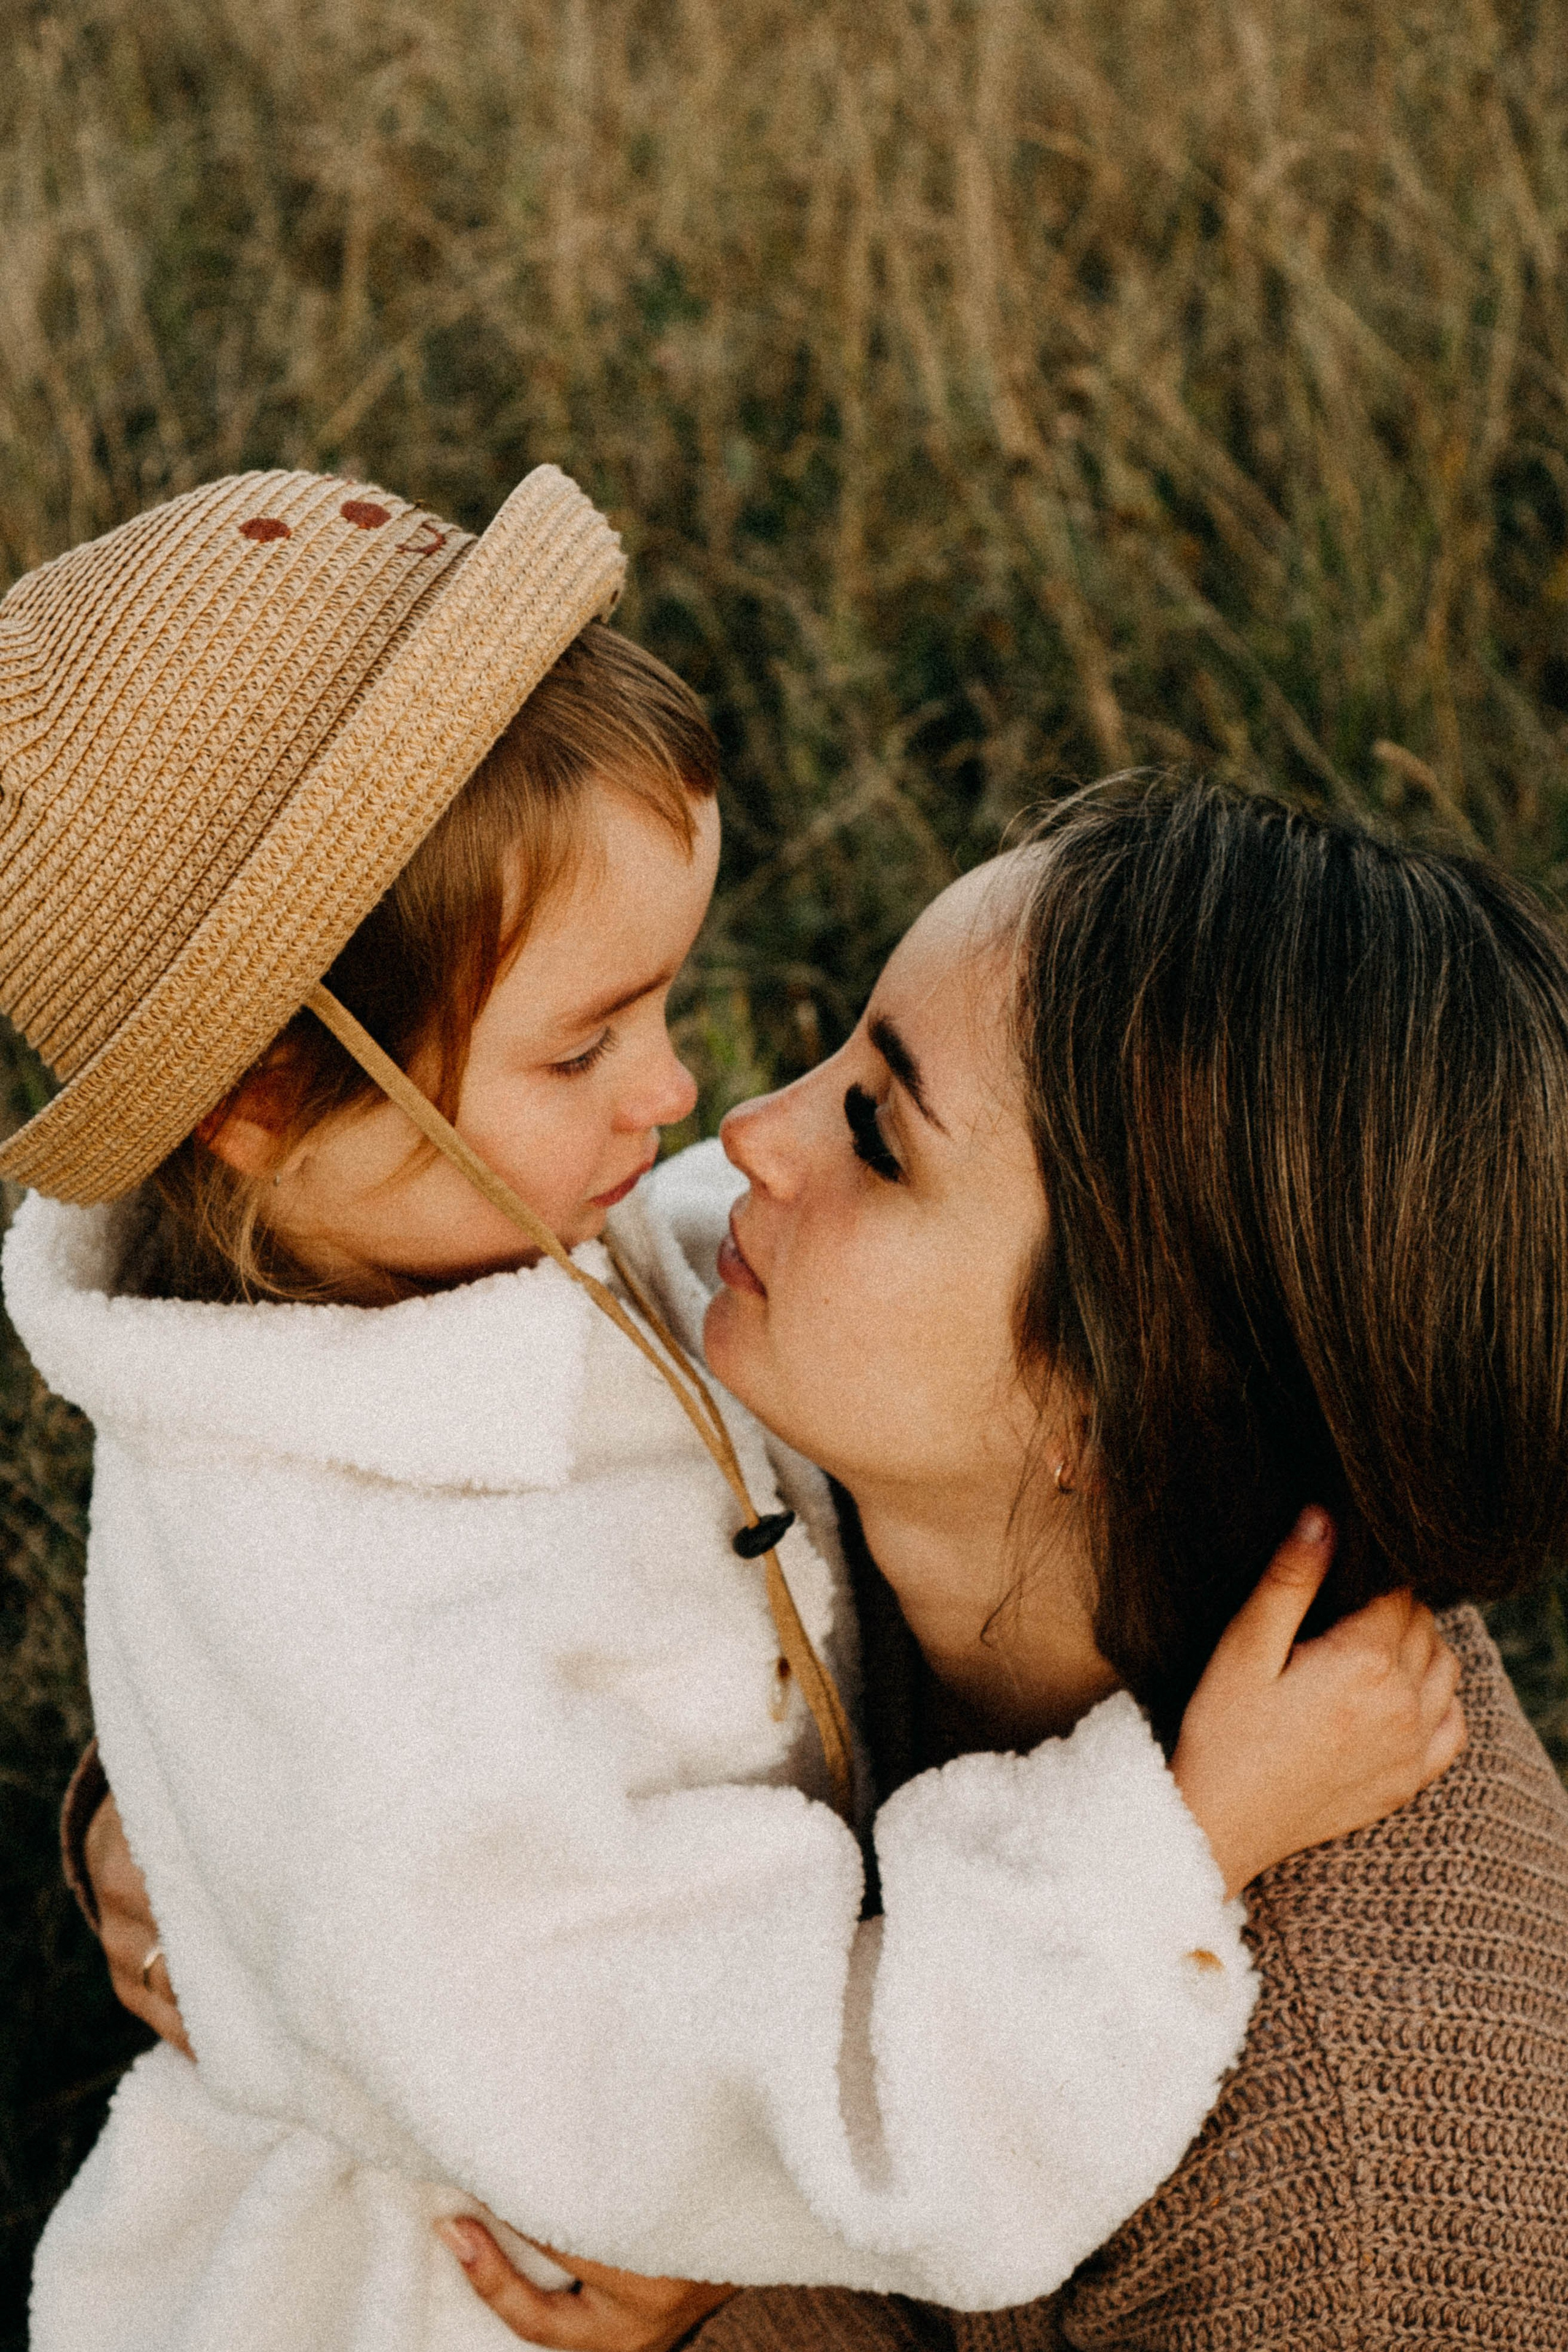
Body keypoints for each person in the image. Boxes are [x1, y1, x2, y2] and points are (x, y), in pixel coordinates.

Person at [1, 472, 1458, 2352]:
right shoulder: (356, 1633)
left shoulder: (417, 1242)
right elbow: (790, 2119)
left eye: (666, 1005)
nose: (686, 1100)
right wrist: (1182, 1839)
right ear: (270, 1099)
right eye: (584, 1044)